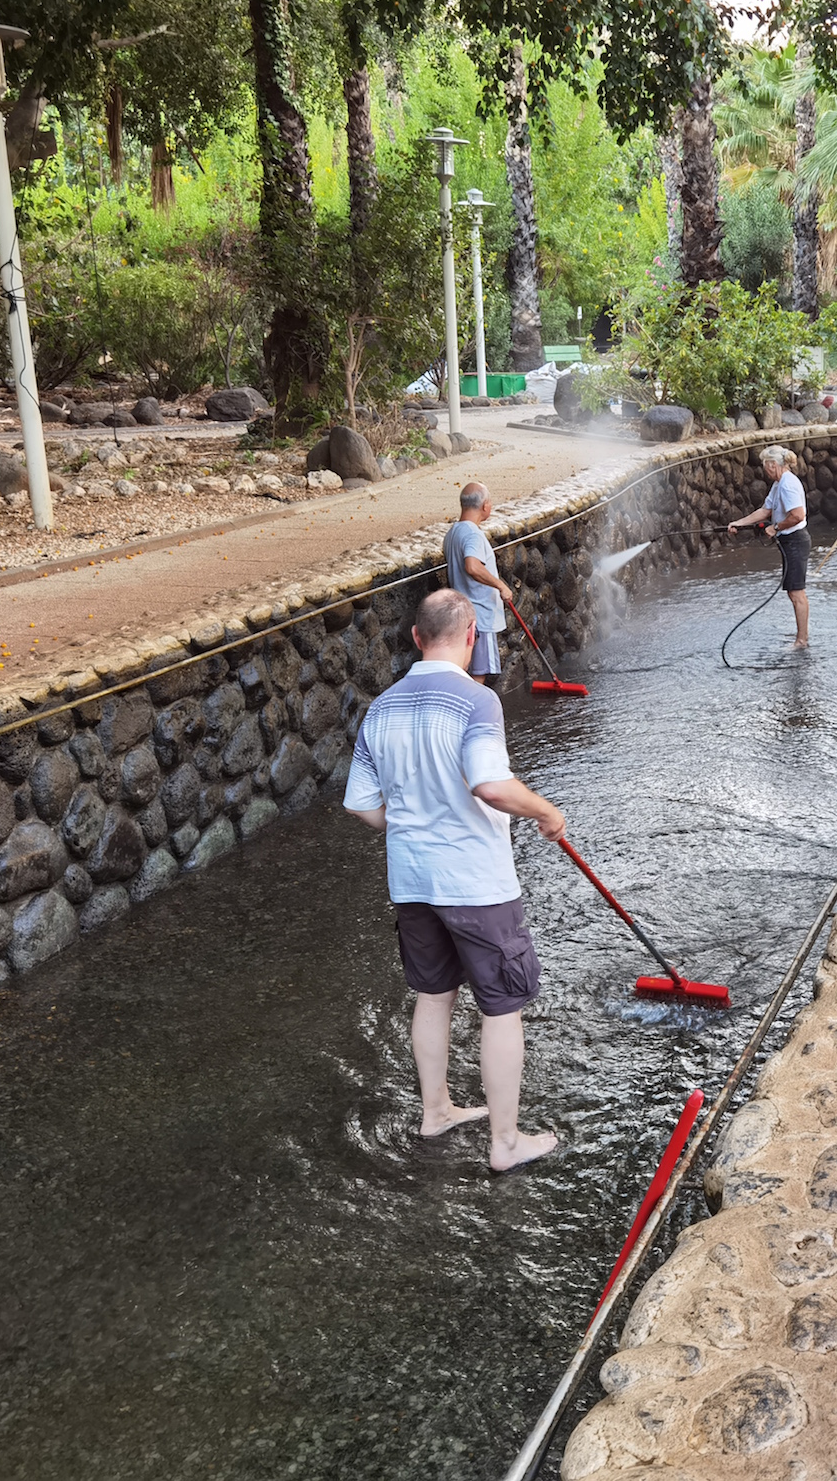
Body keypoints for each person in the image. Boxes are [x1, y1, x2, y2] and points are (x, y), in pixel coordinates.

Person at [344, 587, 565, 1173]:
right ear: (472, 638)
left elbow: (362, 806)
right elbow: (490, 784)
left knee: (433, 993)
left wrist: (415, 818)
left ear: (417, 638)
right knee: (501, 1006)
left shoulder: (381, 708)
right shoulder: (477, 701)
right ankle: (505, 1141)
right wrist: (545, 811)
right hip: (474, 882)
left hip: (411, 879)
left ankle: (436, 1111)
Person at [729, 445, 810, 649]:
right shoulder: (779, 483)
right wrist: (740, 523)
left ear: (773, 465)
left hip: (795, 541)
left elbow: (798, 515)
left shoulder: (787, 485)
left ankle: (802, 640)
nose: (764, 470)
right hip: (790, 541)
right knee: (793, 591)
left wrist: (776, 527)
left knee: (796, 592)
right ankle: (801, 637)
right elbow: (765, 510)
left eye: (766, 466)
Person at [445, 482, 511, 684]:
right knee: (478, 674)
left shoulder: (453, 533)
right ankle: (472, 714)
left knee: (466, 670)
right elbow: (472, 566)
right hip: (480, 616)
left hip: (462, 616)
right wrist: (501, 585)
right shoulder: (473, 535)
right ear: (484, 506)